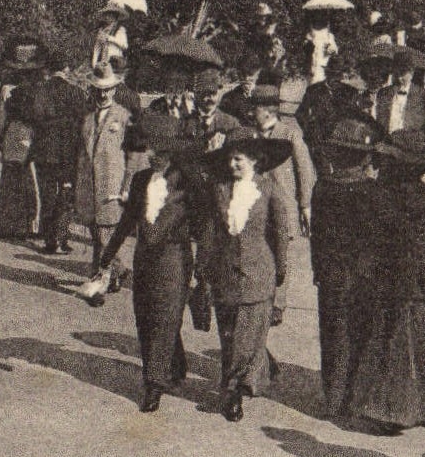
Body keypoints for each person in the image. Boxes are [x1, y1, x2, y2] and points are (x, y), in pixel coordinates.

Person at [350, 129, 425, 432]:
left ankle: (389, 408)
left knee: (388, 344)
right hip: (424, 282)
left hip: (386, 278)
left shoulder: (376, 195)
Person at [98, 109, 199, 411]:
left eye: (161, 151)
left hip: (174, 260)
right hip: (145, 260)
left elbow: (205, 224)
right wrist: (106, 258)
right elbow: (127, 222)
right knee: (146, 318)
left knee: (165, 317)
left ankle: (153, 384)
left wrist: (205, 267)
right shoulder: (141, 180)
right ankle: (175, 363)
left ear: (173, 152)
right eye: (150, 150)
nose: (153, 156)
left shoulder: (187, 183)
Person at [197, 132, 290, 422]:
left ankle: (232, 392)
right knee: (228, 336)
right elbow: (210, 232)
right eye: (230, 158)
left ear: (254, 160)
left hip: (257, 274)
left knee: (244, 337)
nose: (233, 164)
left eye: (239, 158)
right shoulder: (220, 189)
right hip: (224, 273)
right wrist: (203, 269)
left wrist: (281, 272)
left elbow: (280, 234)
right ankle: (260, 363)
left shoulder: (269, 189)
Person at [309, 118, 383, 423]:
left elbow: (316, 235)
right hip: (363, 274)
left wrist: (317, 269)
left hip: (330, 273)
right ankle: (354, 399)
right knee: (361, 335)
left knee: (333, 333)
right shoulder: (372, 191)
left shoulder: (322, 187)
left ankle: (333, 397)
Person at [246, 84, 313, 325]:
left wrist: (305, 205)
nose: (251, 112)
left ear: (267, 110)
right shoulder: (249, 134)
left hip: (284, 205)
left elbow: (304, 170)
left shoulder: (289, 134)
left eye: (255, 107)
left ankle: (278, 303)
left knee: (282, 254)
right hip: (255, 205)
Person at [74, 62, 138, 288]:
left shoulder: (124, 117)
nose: (102, 94)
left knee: (104, 235)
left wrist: (127, 185)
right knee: (98, 234)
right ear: (92, 90)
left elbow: (133, 155)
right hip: (89, 186)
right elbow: (82, 153)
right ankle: (118, 272)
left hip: (112, 185)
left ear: (114, 90)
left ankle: (99, 280)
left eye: (107, 89)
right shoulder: (87, 119)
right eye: (98, 89)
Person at [0, 38, 48, 241]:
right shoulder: (41, 87)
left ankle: (8, 225)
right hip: (36, 136)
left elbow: (1, 118)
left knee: (11, 179)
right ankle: (30, 223)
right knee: (31, 180)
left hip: (14, 136)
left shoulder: (7, 89)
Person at [27, 65, 84, 254]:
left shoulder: (39, 91)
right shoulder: (76, 93)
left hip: (44, 152)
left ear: (49, 70)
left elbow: (33, 118)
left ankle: (49, 239)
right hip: (68, 152)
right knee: (66, 194)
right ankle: (61, 238)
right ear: (66, 70)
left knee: (47, 194)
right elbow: (83, 123)